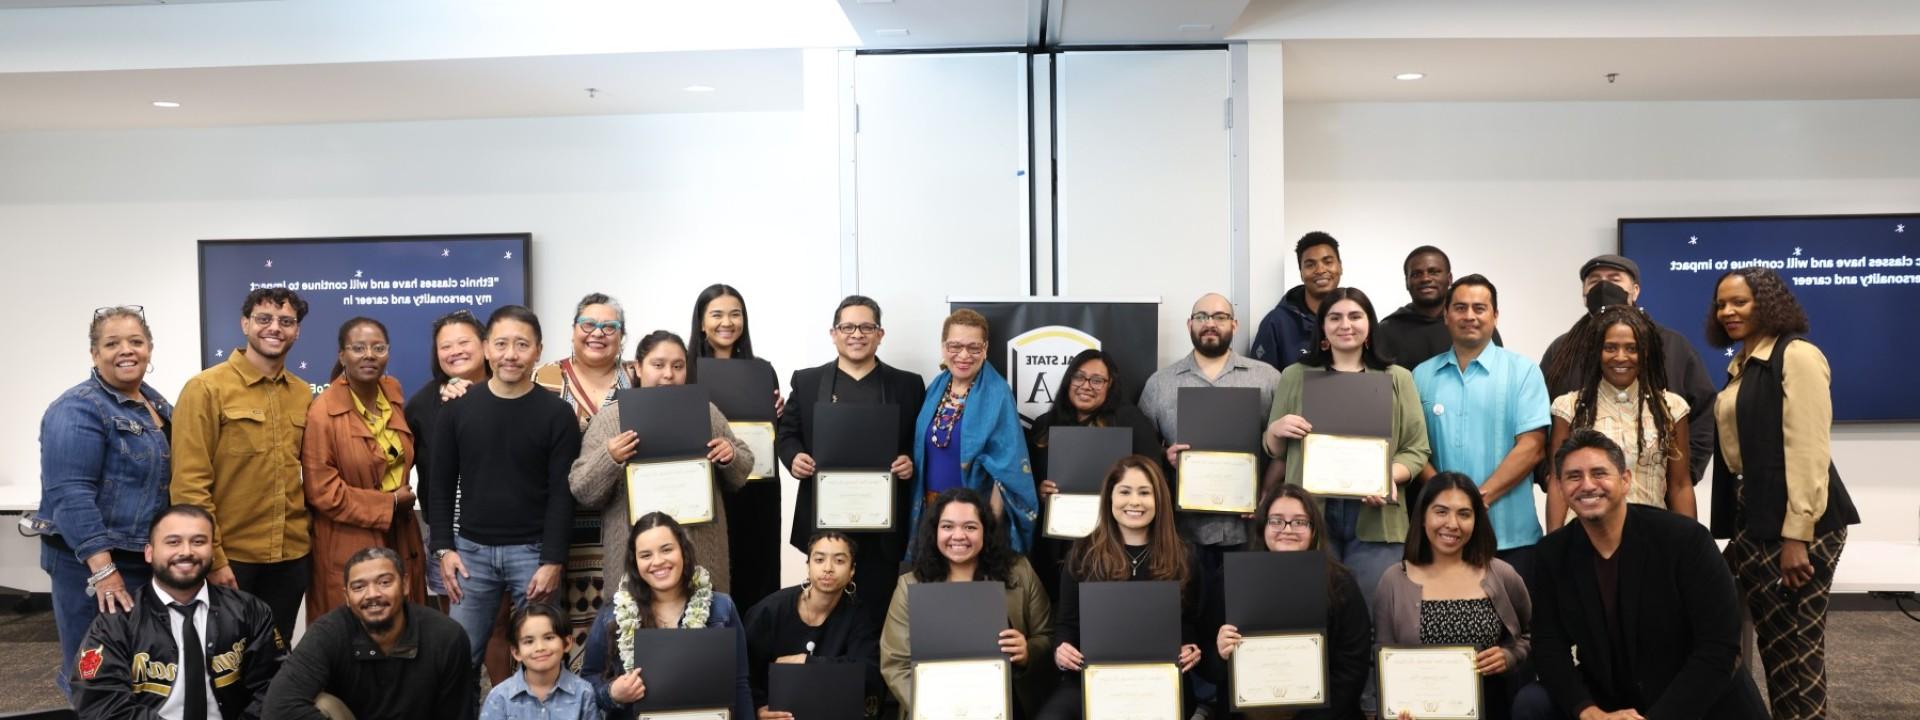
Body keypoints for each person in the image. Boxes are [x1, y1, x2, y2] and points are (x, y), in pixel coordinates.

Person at [1519, 430, 1767, 719]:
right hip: (1610, 695)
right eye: (1574, 476)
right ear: (1559, 487)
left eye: (1599, 473)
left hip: (1694, 697)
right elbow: (1549, 645)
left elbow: (1719, 647)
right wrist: (1586, 710)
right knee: (1532, 703)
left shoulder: (1685, 541)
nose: (1587, 485)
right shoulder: (1552, 554)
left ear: (1625, 481)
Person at [1706, 267, 1859, 720]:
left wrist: (1798, 535)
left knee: (1798, 652)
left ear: (1767, 303)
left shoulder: (1797, 356)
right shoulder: (1743, 364)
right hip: (1757, 522)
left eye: (1740, 302)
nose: (1728, 311)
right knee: (1778, 651)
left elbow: (1809, 449)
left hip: (1800, 526)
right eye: (1721, 304)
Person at [429, 305, 584, 670]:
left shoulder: (557, 414)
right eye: (501, 344)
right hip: (470, 555)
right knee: (458, 662)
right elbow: (441, 485)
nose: (510, 355)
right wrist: (443, 549)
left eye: (521, 344)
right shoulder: (457, 409)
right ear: (486, 348)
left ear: (538, 351)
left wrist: (552, 560)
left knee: (543, 661)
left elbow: (563, 495)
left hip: (532, 556)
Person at [1262, 287, 1431, 608]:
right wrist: (1275, 430)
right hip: (1310, 514)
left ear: (1370, 325)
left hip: (1377, 516)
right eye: (1335, 317)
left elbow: (1416, 449)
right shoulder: (1294, 377)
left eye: (1355, 316)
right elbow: (1276, 451)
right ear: (1322, 327)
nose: (1345, 324)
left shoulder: (1398, 378)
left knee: (1373, 615)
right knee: (1312, 613)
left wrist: (1386, 477)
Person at [38, 306, 173, 696]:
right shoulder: (78, 407)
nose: (125, 351)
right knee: (95, 675)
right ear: (94, 354)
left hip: (138, 561)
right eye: (112, 343)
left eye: (135, 341)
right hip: (92, 566)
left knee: (137, 674)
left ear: (149, 348)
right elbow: (70, 495)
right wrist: (103, 571)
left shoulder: (153, 402)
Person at [774, 295, 926, 630]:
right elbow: (787, 434)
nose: (856, 334)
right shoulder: (808, 381)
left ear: (880, 334)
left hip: (883, 526)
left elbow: (921, 442)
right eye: (847, 327)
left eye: (866, 327)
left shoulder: (908, 385)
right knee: (826, 613)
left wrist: (910, 461)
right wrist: (794, 457)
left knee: (879, 616)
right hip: (826, 519)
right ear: (833, 333)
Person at [170, 287, 313, 642]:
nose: (274, 328)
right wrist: (213, 559)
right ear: (245, 324)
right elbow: (188, 486)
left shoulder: (302, 392)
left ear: (297, 331)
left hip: (291, 556)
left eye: (286, 321)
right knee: (223, 664)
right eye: (264, 319)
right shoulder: (205, 388)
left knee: (274, 660)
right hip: (232, 558)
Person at [570, 330, 754, 592]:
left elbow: (741, 472)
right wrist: (608, 457)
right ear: (637, 368)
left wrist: (731, 456)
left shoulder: (706, 412)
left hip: (703, 564)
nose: (669, 374)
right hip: (633, 568)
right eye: (658, 365)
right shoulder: (611, 419)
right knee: (636, 632)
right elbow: (582, 490)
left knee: (705, 630)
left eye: (678, 366)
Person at [72, 505, 283, 720]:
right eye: (173, 542)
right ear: (149, 552)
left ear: (213, 551)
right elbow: (100, 702)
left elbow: (275, 687)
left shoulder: (250, 611)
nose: (186, 552)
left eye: (198, 542)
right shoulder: (117, 621)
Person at [1039, 457, 1207, 720]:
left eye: (1145, 492)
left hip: (1160, 679)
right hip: (1091, 676)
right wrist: (1062, 649)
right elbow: (1067, 624)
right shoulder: (1082, 554)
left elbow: (1191, 622)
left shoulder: (1183, 556)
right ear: (1109, 498)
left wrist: (1191, 648)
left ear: (1159, 499)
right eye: (1125, 492)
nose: (1135, 502)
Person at [1412, 276, 1550, 581]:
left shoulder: (1523, 371)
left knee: (1516, 627)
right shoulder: (1421, 375)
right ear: (1446, 315)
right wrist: (1448, 506)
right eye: (1460, 307)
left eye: (1479, 308)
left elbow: (1533, 447)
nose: (1470, 316)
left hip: (1511, 538)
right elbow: (1413, 449)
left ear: (1495, 315)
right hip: (1442, 539)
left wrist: (1476, 500)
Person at [1540, 255, 1716, 484]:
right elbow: (1538, 417)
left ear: (1635, 290)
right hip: (1583, 493)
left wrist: (1683, 472)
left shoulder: (1672, 346)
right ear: (1584, 294)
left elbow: (1705, 412)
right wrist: (1549, 474)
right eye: (1594, 281)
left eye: (1614, 279)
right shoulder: (1562, 350)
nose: (1604, 286)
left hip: (1655, 493)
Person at [880, 488, 1052, 719]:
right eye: (947, 526)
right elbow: (895, 663)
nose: (958, 535)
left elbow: (1048, 636)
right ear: (934, 531)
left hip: (1008, 705)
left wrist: (1027, 652)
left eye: (970, 527)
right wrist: (936, 709)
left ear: (986, 531)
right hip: (935, 709)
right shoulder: (909, 586)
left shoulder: (1020, 573)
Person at [1140, 293, 1282, 570]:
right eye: (1201, 317)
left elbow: (1284, 449)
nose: (1210, 323)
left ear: (1235, 325)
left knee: (1245, 613)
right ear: (1189, 324)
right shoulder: (1159, 383)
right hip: (1184, 534)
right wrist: (1164, 455)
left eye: (1220, 317)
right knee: (1191, 612)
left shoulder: (1268, 378)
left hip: (1251, 530)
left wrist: (1269, 492)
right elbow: (1141, 451)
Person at [1374, 474, 1532, 720]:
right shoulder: (1394, 580)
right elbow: (1382, 657)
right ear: (1423, 518)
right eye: (1441, 512)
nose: (1452, 524)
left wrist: (1510, 655)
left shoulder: (1501, 574)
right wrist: (1392, 709)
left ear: (1476, 521)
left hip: (1492, 710)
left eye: (1464, 514)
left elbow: (1532, 637)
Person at [302, 317, 427, 623]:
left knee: (404, 628)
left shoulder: (392, 392)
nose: (369, 354)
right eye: (358, 348)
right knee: (357, 632)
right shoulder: (323, 413)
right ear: (342, 355)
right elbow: (322, 492)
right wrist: (389, 503)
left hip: (401, 533)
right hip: (348, 537)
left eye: (378, 347)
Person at [534, 292, 634, 666]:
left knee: (616, 620)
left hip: (618, 523)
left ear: (622, 335)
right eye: (588, 325)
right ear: (573, 330)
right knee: (549, 623)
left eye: (610, 326)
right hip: (555, 525)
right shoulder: (542, 377)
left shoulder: (637, 380)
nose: (598, 333)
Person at [1214, 484, 1370, 720]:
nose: (1287, 530)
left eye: (1299, 522)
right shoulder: (1229, 577)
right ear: (1262, 526)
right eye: (1276, 520)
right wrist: (1219, 652)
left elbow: (1352, 666)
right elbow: (1209, 664)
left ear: (1314, 529)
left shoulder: (1340, 583)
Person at [264, 547, 475, 719]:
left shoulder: (446, 637)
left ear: (405, 585)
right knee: (322, 703)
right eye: (359, 587)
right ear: (347, 597)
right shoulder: (328, 633)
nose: (372, 594)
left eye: (384, 582)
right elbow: (278, 708)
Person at [582, 512, 754, 720]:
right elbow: (587, 680)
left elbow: (739, 683)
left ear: (683, 551)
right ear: (635, 562)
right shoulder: (612, 614)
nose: (658, 561)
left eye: (667, 549)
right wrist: (612, 693)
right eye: (646, 555)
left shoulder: (721, 607)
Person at [1027, 348, 1164, 600]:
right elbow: (1025, 482)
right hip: (1055, 544)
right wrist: (1039, 490)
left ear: (1110, 385)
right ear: (1069, 380)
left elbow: (1154, 474)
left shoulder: (1128, 420)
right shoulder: (1044, 425)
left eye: (1097, 380)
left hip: (1112, 542)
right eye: (1079, 377)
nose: (1086, 386)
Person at [1543, 306, 1693, 532]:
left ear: (1645, 353)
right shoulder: (1569, 408)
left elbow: (1680, 485)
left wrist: (1691, 546)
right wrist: (1553, 547)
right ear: (1597, 352)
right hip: (1584, 536)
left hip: (1653, 537)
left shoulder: (1671, 408)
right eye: (1610, 348)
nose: (1620, 357)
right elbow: (1557, 481)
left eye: (1631, 348)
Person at [687, 283, 786, 613]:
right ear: (701, 322)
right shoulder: (686, 372)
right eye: (716, 314)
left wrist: (778, 417)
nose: (726, 322)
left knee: (758, 578)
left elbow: (773, 436)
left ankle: (757, 660)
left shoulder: (763, 370)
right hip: (708, 489)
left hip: (758, 490)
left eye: (735, 314)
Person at [909, 309, 1039, 554]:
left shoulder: (997, 394)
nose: (964, 355)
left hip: (972, 520)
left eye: (974, 347)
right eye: (955, 346)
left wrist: (987, 528)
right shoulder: (936, 387)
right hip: (931, 513)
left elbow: (1007, 473)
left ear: (986, 349)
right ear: (943, 347)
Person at [744, 531, 883, 720]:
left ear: (852, 571)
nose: (828, 568)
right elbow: (743, 674)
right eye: (819, 560)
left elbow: (868, 674)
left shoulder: (859, 615)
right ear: (808, 566)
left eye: (839, 561)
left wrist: (808, 663)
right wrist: (758, 709)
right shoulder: (769, 611)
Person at [403, 309, 490, 606]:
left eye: (464, 342)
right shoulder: (421, 405)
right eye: (446, 346)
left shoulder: (512, 391)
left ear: (485, 345)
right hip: (448, 538)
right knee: (451, 630)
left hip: (507, 534)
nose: (455, 352)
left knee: (505, 631)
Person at [1375, 246, 1505, 372]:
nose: (1425, 278)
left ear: (1449, 279)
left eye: (1434, 272)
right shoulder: (1387, 330)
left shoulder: (1473, 325)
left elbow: (1497, 372)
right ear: (1407, 282)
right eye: (1416, 274)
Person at [480, 603, 596, 720]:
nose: (540, 647)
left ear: (567, 643)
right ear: (516, 652)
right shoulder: (500, 697)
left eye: (549, 637)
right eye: (529, 641)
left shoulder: (583, 693)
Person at [1253, 231, 1344, 371]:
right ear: (1301, 273)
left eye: (1328, 262)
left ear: (1340, 266)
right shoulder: (1276, 323)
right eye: (1310, 265)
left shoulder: (1356, 318)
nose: (1320, 270)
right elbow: (1261, 382)